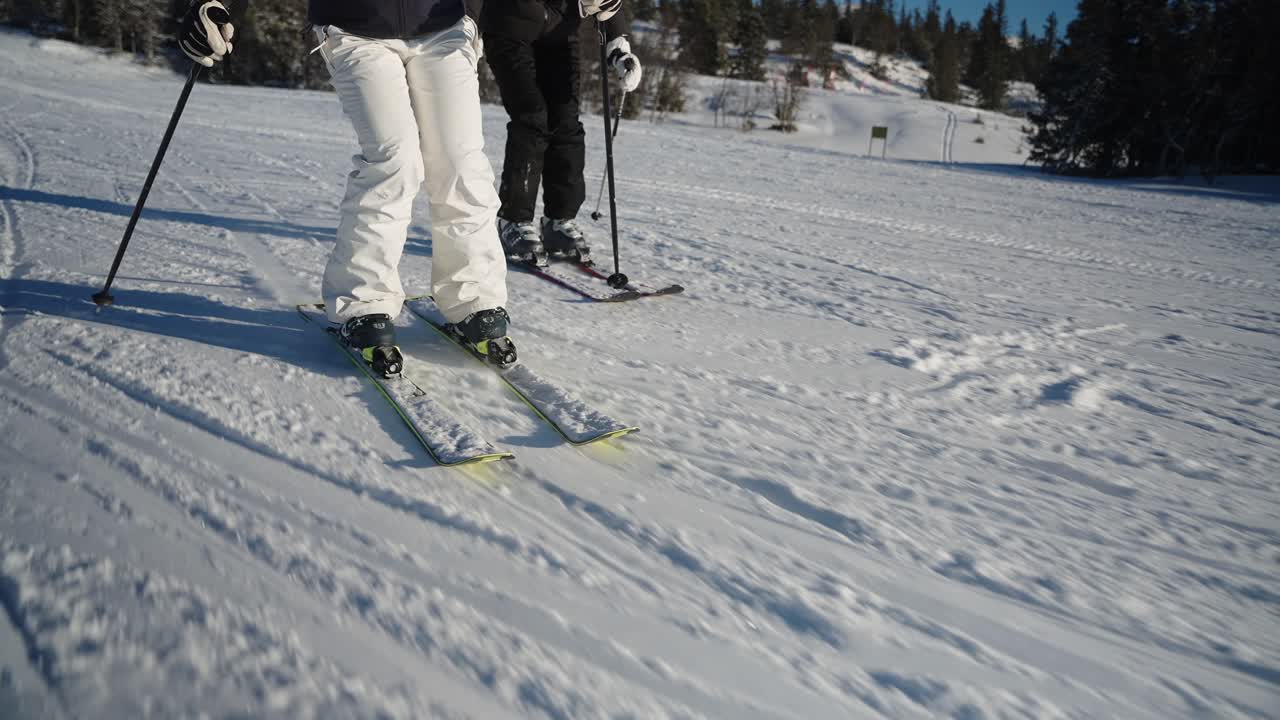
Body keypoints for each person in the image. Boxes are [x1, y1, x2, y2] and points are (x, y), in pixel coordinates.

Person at [178, 0, 518, 372]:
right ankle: (364, 304)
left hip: (444, 27)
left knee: (461, 163)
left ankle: (475, 299)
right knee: (395, 162)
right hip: (356, 28)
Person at [480, 0, 642, 266]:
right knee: (532, 118)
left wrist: (620, 50)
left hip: (560, 36)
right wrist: (575, 6)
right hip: (510, 28)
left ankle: (559, 220)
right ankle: (514, 221)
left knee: (566, 121)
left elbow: (606, 4)